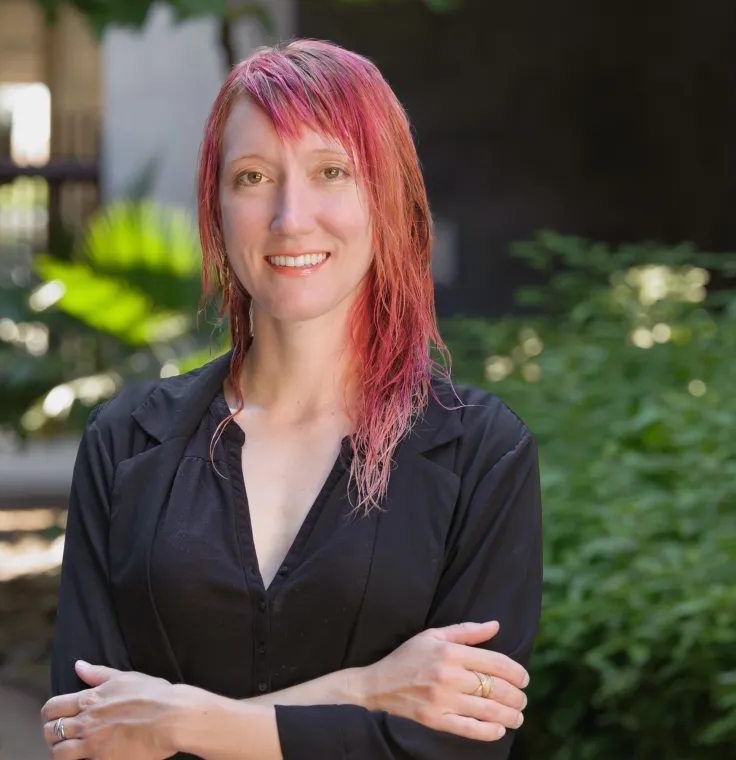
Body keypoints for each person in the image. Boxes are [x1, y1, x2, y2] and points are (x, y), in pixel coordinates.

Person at [41, 38, 542, 760]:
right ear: (217, 206)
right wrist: (368, 690)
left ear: (389, 195)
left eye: (331, 171)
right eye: (252, 177)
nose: (289, 216)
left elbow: (460, 749)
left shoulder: (479, 454)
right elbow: (81, 735)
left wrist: (173, 723)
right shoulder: (126, 442)